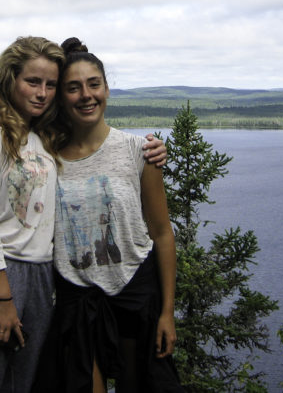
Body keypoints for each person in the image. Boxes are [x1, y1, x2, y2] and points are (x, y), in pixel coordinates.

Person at [0, 36, 166, 393]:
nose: (43, 92)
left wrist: (151, 151)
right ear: (9, 80)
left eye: (50, 85)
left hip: (43, 280)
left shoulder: (40, 137)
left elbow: (38, 204)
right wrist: (1, 296)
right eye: (33, 82)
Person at [39, 37, 182, 393]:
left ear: (106, 89)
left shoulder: (139, 151)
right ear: (61, 96)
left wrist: (167, 312)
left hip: (135, 290)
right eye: (73, 88)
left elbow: (162, 233)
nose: (86, 95)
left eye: (94, 84)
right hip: (77, 298)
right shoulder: (44, 156)